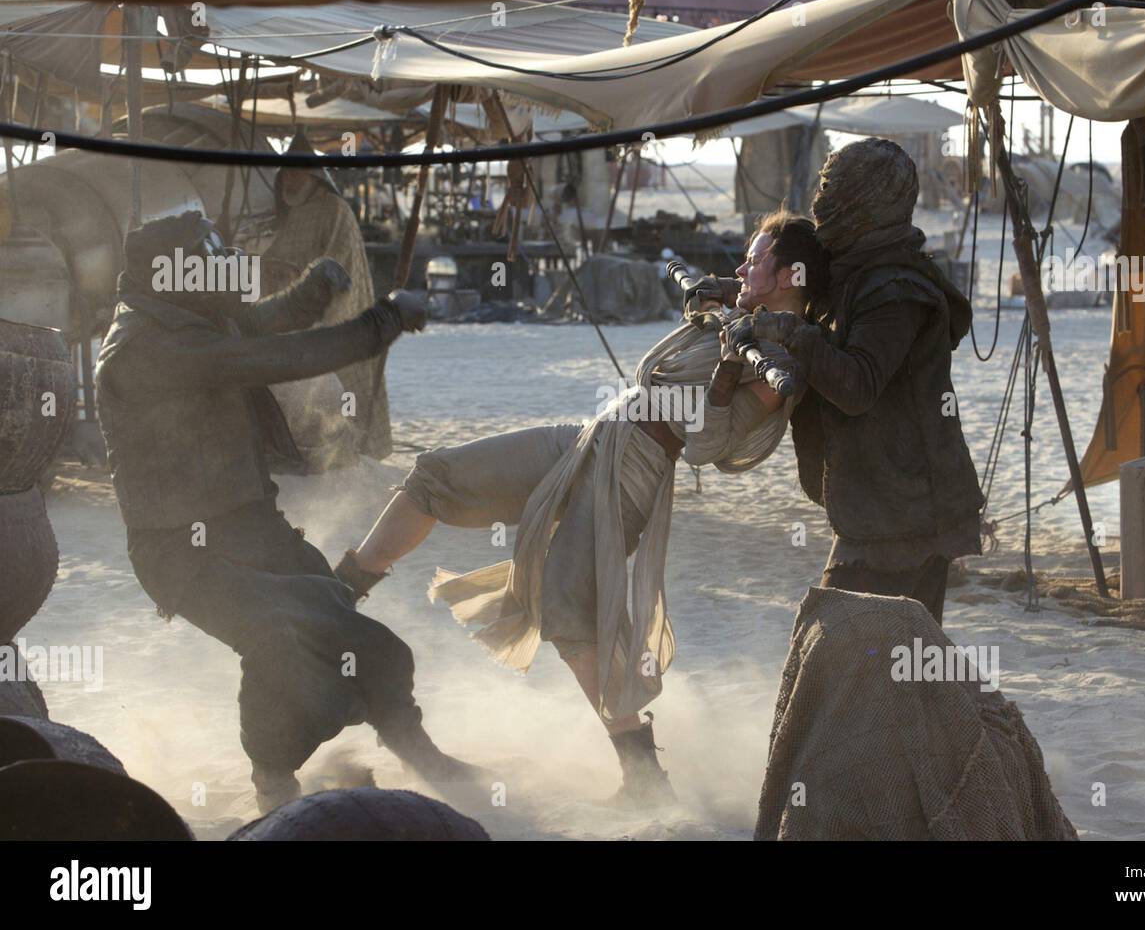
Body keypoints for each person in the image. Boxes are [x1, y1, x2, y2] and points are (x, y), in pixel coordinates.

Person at [334, 212, 824, 805]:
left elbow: (708, 446)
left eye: (756, 258)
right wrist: (724, 303)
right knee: (436, 474)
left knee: (571, 614)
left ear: (791, 273)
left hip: (632, 470)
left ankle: (644, 777)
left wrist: (726, 371)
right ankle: (339, 595)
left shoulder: (778, 354)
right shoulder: (745, 315)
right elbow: (701, 337)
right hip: (594, 435)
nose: (742, 266)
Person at [94, 211, 481, 813]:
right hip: (184, 554)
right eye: (207, 261)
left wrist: (314, 290)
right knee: (285, 644)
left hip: (252, 526)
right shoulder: (148, 349)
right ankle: (274, 783)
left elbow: (258, 326)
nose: (222, 269)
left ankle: (419, 751)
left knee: (369, 646)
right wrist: (385, 321)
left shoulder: (188, 318)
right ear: (171, 276)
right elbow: (277, 357)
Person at [724, 139, 984, 624]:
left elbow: (857, 386)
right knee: (899, 661)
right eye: (824, 185)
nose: (822, 201)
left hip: (905, 514)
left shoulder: (894, 290)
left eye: (835, 187)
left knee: (836, 646)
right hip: (887, 505)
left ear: (868, 199)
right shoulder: (860, 270)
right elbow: (804, 291)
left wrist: (789, 330)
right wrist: (743, 290)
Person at [264, 128, 393, 459]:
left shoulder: (334, 210)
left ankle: (354, 453)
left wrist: (320, 316)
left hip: (333, 318)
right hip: (290, 320)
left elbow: (339, 267)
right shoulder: (291, 213)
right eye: (287, 174)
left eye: (298, 173)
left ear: (313, 176)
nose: (291, 181)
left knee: (344, 389)